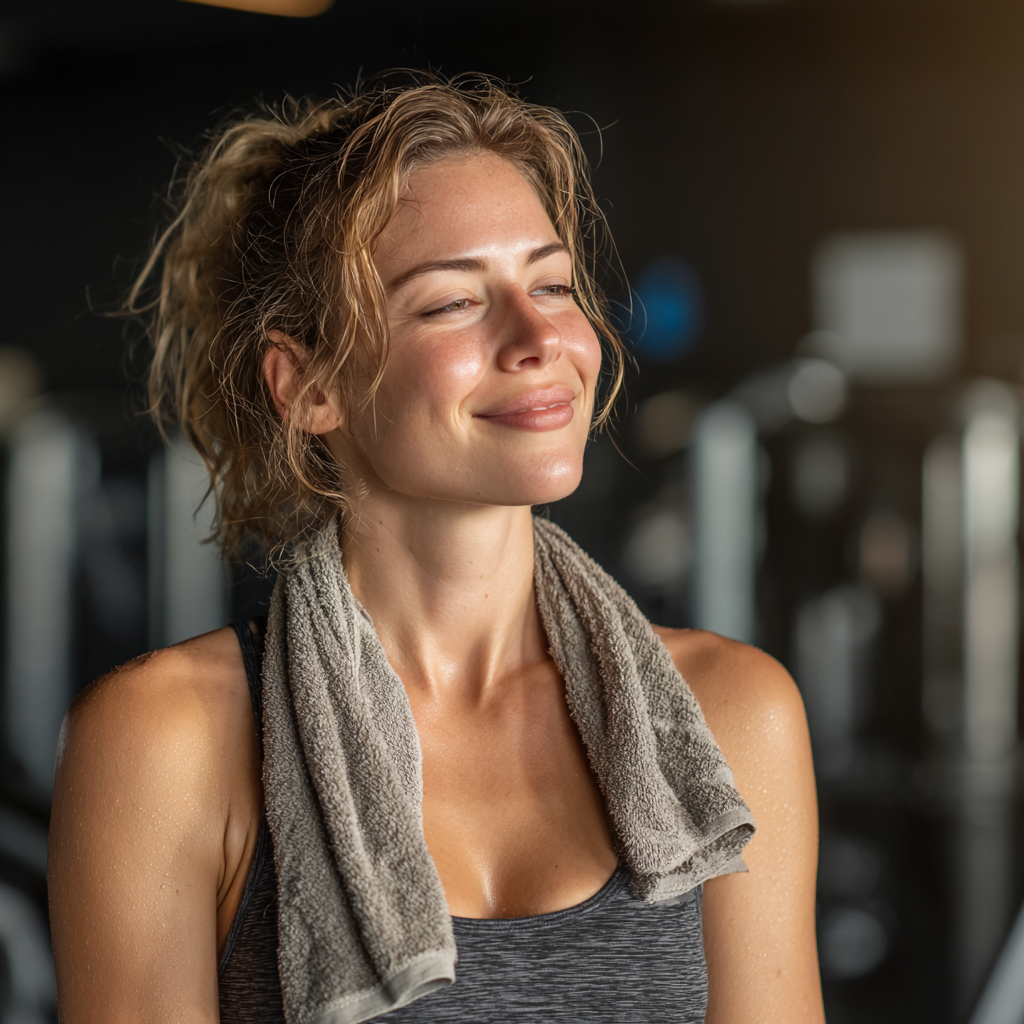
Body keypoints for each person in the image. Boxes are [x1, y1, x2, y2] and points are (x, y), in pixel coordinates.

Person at [48, 75, 823, 1024]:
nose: (540, 337)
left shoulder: (737, 713)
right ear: (308, 388)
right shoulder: (166, 742)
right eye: (453, 302)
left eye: (551, 284)